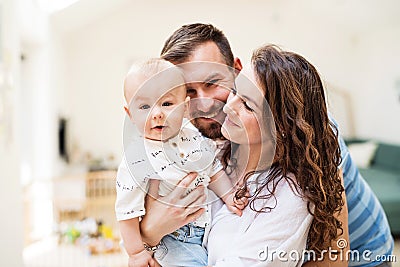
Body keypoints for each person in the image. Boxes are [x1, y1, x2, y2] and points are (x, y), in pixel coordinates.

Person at [140, 23, 394, 266]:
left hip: (364, 253)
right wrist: (149, 233)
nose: (205, 105)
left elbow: (332, 250)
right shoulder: (212, 132)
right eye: (189, 91)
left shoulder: (310, 132)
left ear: (236, 70)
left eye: (212, 83)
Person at [115, 58, 247, 267]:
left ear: (185, 107)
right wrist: (137, 253)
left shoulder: (194, 138)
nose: (157, 113)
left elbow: (213, 171)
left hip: (202, 231)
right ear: (130, 114)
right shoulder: (137, 158)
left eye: (167, 104)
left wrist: (230, 196)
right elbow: (126, 213)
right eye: (144, 106)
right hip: (172, 240)